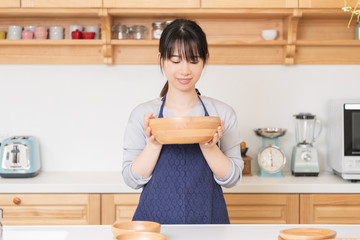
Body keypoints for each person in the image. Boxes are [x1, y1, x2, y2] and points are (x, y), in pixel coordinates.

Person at [122, 18, 243, 224]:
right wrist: (153, 143)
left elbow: (233, 179)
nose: (185, 70)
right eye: (176, 61)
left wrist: (210, 147)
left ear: (205, 60)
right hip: (154, 228)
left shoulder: (221, 114)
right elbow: (131, 179)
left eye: (193, 60)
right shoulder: (144, 114)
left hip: (209, 227)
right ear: (162, 60)